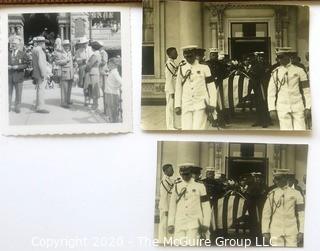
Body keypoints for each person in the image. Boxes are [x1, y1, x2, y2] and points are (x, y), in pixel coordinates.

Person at [268, 47, 311, 130]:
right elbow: (271, 92)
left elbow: (306, 90)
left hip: (297, 105)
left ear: (288, 56)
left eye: (281, 57)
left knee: (300, 132)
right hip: (282, 106)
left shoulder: (299, 71)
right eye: (278, 57)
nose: (279, 60)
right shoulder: (275, 72)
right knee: (286, 133)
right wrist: (272, 109)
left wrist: (308, 107)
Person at [175, 45, 217, 130]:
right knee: (186, 129)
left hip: (201, 103)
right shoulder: (181, 68)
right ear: (183, 55)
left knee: (198, 129)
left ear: (195, 54)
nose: (188, 57)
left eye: (190, 55)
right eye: (186, 55)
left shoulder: (204, 68)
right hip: (186, 103)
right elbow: (178, 87)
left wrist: (212, 104)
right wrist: (177, 105)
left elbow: (211, 86)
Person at [168, 163, 211, 246]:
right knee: (179, 246)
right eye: (182, 174)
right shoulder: (177, 186)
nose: (184, 176)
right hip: (180, 222)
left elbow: (206, 206)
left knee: (192, 245)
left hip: (194, 222)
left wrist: (206, 223)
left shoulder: (200, 187)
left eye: (187, 174)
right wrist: (170, 223)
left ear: (191, 173)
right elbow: (172, 206)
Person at [261, 169, 304, 247]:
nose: (276, 181)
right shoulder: (272, 194)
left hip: (291, 230)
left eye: (278, 178)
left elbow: (301, 213)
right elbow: (266, 214)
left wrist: (302, 231)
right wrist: (265, 231)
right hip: (276, 230)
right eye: (275, 179)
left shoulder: (296, 194)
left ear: (286, 178)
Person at [8, 36, 28, 113]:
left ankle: (17, 107)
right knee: (8, 93)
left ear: (19, 45)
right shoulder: (8, 54)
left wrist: (18, 67)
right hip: (9, 77)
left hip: (19, 76)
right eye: (12, 44)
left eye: (15, 44)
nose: (13, 45)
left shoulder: (23, 54)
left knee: (18, 93)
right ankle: (8, 106)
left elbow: (26, 64)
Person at [32, 36, 49, 113]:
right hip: (40, 73)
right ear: (41, 43)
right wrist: (43, 74)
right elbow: (40, 63)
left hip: (36, 72)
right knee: (41, 90)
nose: (45, 44)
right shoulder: (40, 51)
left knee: (39, 89)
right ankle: (40, 107)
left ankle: (38, 105)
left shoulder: (34, 50)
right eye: (44, 42)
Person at [158, 164, 174, 243]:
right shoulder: (164, 180)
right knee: (163, 224)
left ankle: (166, 241)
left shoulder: (169, 180)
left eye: (172, 169)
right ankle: (162, 241)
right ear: (165, 171)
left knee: (168, 224)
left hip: (169, 205)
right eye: (170, 169)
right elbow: (164, 196)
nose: (172, 171)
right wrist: (166, 208)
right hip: (165, 206)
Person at [75, 37, 92, 106]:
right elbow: (76, 59)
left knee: (90, 84)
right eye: (82, 44)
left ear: (87, 43)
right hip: (83, 69)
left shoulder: (91, 49)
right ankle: (86, 99)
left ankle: (91, 98)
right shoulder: (78, 51)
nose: (84, 45)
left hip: (90, 68)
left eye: (85, 43)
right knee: (85, 84)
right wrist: (82, 60)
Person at [85, 41, 102, 110]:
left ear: (93, 48)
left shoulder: (95, 55)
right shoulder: (98, 54)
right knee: (95, 88)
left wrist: (86, 68)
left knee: (94, 89)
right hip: (96, 71)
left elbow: (90, 64)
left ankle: (95, 105)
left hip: (93, 72)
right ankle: (95, 104)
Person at [104, 57, 122, 122]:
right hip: (110, 92)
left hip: (112, 93)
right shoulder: (112, 72)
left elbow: (121, 82)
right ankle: (113, 121)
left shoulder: (115, 73)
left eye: (109, 64)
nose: (108, 65)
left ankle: (114, 122)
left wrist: (116, 87)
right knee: (110, 108)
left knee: (113, 109)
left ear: (113, 65)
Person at [164, 47, 178, 130]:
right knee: (170, 108)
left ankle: (173, 125)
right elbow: (169, 79)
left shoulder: (172, 63)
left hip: (173, 88)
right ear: (169, 54)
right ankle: (170, 126)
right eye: (175, 53)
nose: (177, 54)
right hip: (170, 89)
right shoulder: (169, 64)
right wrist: (171, 91)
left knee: (172, 107)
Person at [59, 40, 74, 108]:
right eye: (65, 45)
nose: (67, 46)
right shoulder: (60, 53)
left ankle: (68, 100)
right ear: (63, 46)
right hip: (64, 72)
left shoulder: (70, 53)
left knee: (69, 87)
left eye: (68, 45)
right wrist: (66, 60)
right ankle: (63, 102)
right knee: (64, 88)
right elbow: (58, 62)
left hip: (70, 72)